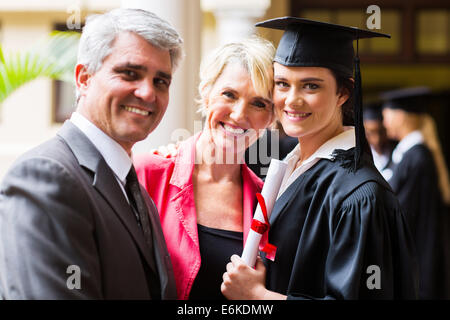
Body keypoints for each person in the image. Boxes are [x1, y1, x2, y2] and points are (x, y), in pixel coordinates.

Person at [220, 17, 419, 300]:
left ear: (343, 92)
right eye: (282, 84)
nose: (292, 100)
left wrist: (257, 296)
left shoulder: (360, 197)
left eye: (310, 86)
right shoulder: (294, 165)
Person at [0, 8, 183, 299]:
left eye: (161, 81)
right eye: (130, 73)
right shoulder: (45, 177)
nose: (148, 93)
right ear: (84, 78)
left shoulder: (134, 189)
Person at [134, 37, 275, 300]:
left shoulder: (267, 202)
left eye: (259, 103)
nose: (238, 114)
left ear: (271, 117)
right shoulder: (146, 175)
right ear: (206, 92)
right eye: (229, 94)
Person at [381, 87, 450, 299]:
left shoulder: (416, 158)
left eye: (386, 116)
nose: (384, 123)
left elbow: (403, 210)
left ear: (399, 116)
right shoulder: (407, 154)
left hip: (418, 256)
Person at [363, 101, 396, 180]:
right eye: (370, 133)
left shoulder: (398, 150)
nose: (377, 139)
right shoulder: (360, 156)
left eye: (381, 132)